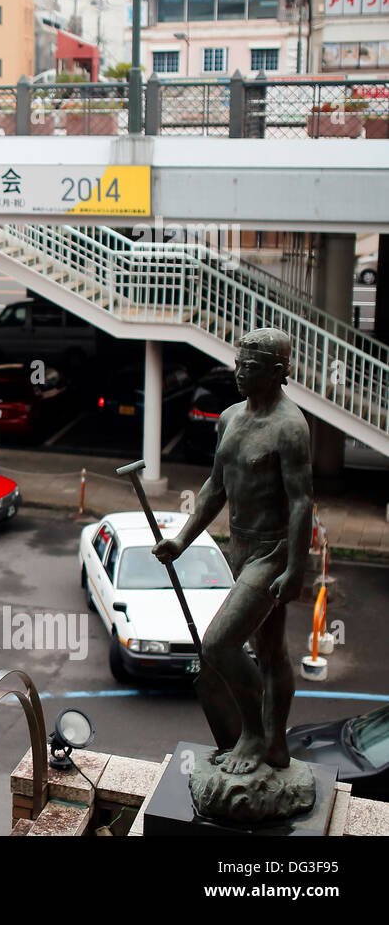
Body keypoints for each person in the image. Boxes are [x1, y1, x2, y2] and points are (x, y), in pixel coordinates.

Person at [152, 328, 313, 776]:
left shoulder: (291, 428)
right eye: (238, 363)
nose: (239, 373)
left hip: (272, 552)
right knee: (272, 651)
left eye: (251, 367)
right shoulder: (229, 418)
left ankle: (254, 735)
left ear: (279, 373)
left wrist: (296, 568)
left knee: (218, 645)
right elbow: (215, 487)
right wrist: (182, 538)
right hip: (239, 546)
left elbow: (302, 502)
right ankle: (277, 748)